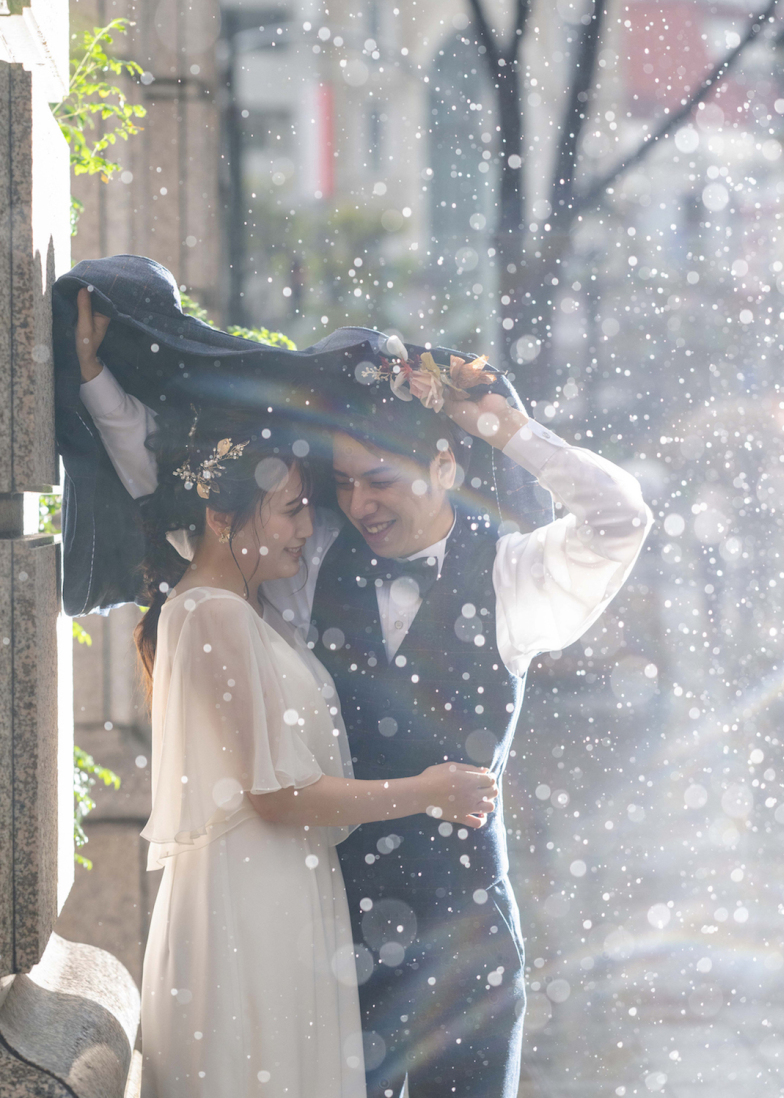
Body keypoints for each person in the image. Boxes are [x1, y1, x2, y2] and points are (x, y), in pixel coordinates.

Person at [75, 288, 652, 1097]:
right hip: (339, 946)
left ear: (445, 467)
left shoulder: (516, 576)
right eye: (343, 483)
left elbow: (621, 518)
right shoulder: (313, 569)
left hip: (467, 952)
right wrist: (101, 388)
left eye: (379, 480)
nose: (357, 505)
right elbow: (201, 528)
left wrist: (502, 426)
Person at [136, 401, 497, 1098]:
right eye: (291, 510)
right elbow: (276, 796)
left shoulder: (242, 608)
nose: (309, 527)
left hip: (278, 891)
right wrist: (428, 791)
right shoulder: (211, 612)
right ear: (220, 518)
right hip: (251, 902)